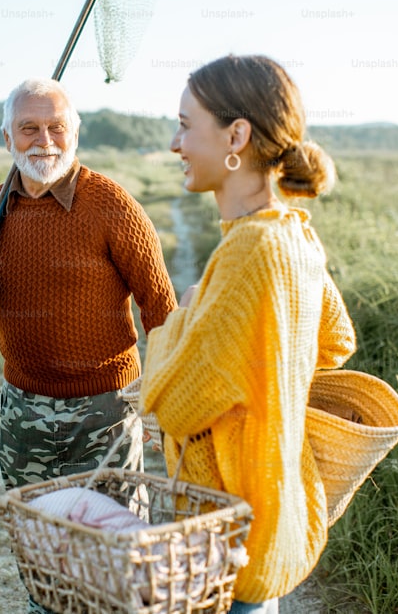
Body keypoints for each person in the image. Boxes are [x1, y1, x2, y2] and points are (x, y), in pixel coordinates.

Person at [0, 77, 177, 612]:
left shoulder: (112, 204)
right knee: (40, 544)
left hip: (107, 412)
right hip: (24, 410)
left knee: (116, 552)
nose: (44, 140)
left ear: (76, 134)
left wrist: (168, 397)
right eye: (29, 128)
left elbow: (162, 311)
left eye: (56, 127)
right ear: (7, 138)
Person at [139, 55, 357, 613]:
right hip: (266, 513)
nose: (174, 143)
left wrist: (181, 323)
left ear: (236, 134)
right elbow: (334, 339)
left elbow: (174, 406)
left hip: (231, 536)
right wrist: (255, 366)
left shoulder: (250, 250)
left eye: (186, 125)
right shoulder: (292, 233)